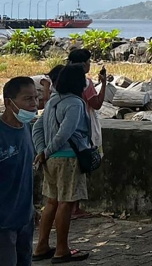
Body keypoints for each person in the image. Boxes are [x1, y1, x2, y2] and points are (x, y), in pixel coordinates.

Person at [31, 65, 92, 264]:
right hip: (68, 158)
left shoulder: (52, 101)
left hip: (51, 159)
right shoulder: (75, 103)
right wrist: (47, 151)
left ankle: (41, 245)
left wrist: (43, 151)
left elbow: (37, 127)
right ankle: (62, 249)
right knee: (65, 203)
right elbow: (65, 132)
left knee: (51, 202)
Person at [1, 78, 38, 266]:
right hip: (3, 223)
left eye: (36, 98)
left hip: (25, 218)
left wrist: (32, 208)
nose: (34, 104)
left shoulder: (26, 129)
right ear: (8, 102)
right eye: (27, 99)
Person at [66, 49, 106, 155]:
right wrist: (104, 84)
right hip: (85, 126)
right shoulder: (86, 83)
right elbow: (97, 104)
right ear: (84, 64)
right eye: (89, 62)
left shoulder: (61, 81)